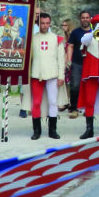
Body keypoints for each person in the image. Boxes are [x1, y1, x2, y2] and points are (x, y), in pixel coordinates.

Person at [28, 12, 64, 140]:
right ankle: (36, 130)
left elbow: (61, 59)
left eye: (47, 23)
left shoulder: (56, 38)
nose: (45, 25)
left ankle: (52, 130)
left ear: (50, 23)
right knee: (36, 103)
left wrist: (61, 76)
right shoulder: (32, 38)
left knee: (53, 102)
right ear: (38, 23)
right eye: (42, 23)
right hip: (36, 74)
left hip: (52, 74)